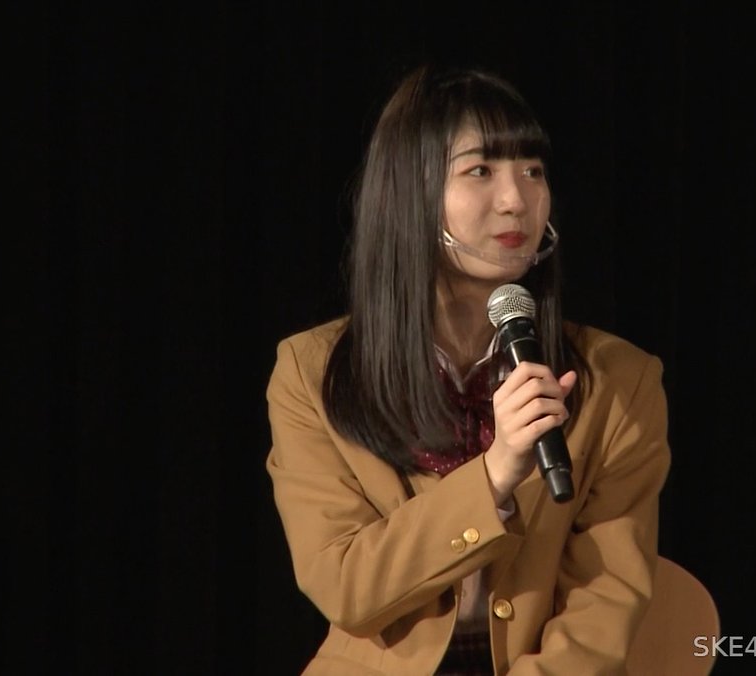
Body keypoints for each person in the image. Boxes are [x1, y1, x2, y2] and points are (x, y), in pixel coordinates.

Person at [266, 64, 671, 675]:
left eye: (532, 171)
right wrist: (496, 473)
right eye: (480, 171)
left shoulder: (619, 378)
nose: (516, 201)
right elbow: (346, 586)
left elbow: (604, 604)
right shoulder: (311, 371)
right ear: (411, 195)